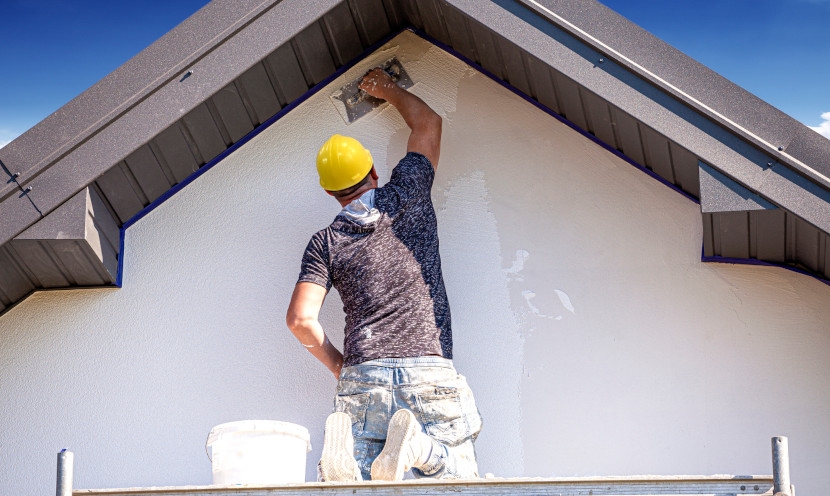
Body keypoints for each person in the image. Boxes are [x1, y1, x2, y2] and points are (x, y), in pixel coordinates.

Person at [286, 68, 482, 482]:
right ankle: (421, 448)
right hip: (429, 368)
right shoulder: (408, 192)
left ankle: (347, 473)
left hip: (364, 374)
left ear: (329, 192)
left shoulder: (325, 242)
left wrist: (341, 367)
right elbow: (428, 123)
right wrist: (387, 89)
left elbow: (301, 321)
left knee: (360, 484)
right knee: (459, 482)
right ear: (374, 172)